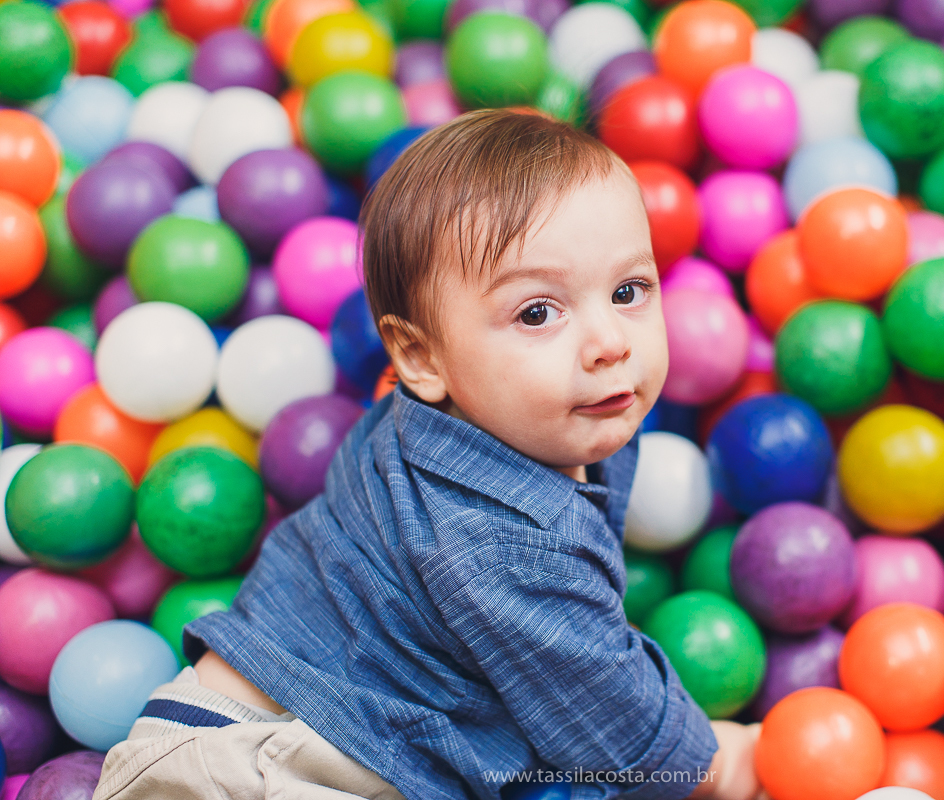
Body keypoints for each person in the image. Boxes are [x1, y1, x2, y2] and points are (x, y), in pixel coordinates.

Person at [93, 110, 763, 800]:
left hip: (258, 733)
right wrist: (733, 762)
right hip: (260, 768)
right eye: (537, 312)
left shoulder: (490, 418)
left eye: (629, 292)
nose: (609, 342)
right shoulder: (505, 547)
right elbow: (628, 745)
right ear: (418, 355)